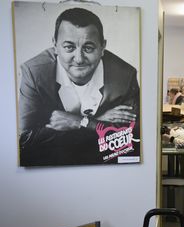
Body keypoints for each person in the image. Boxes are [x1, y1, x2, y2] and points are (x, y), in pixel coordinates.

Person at [18, 7, 140, 166]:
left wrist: (81, 122)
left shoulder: (125, 76)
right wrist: (97, 122)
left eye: (88, 48)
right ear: (55, 45)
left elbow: (133, 138)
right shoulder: (34, 73)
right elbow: (26, 141)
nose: (79, 59)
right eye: (69, 47)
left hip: (103, 167)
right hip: (51, 167)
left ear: (103, 47)